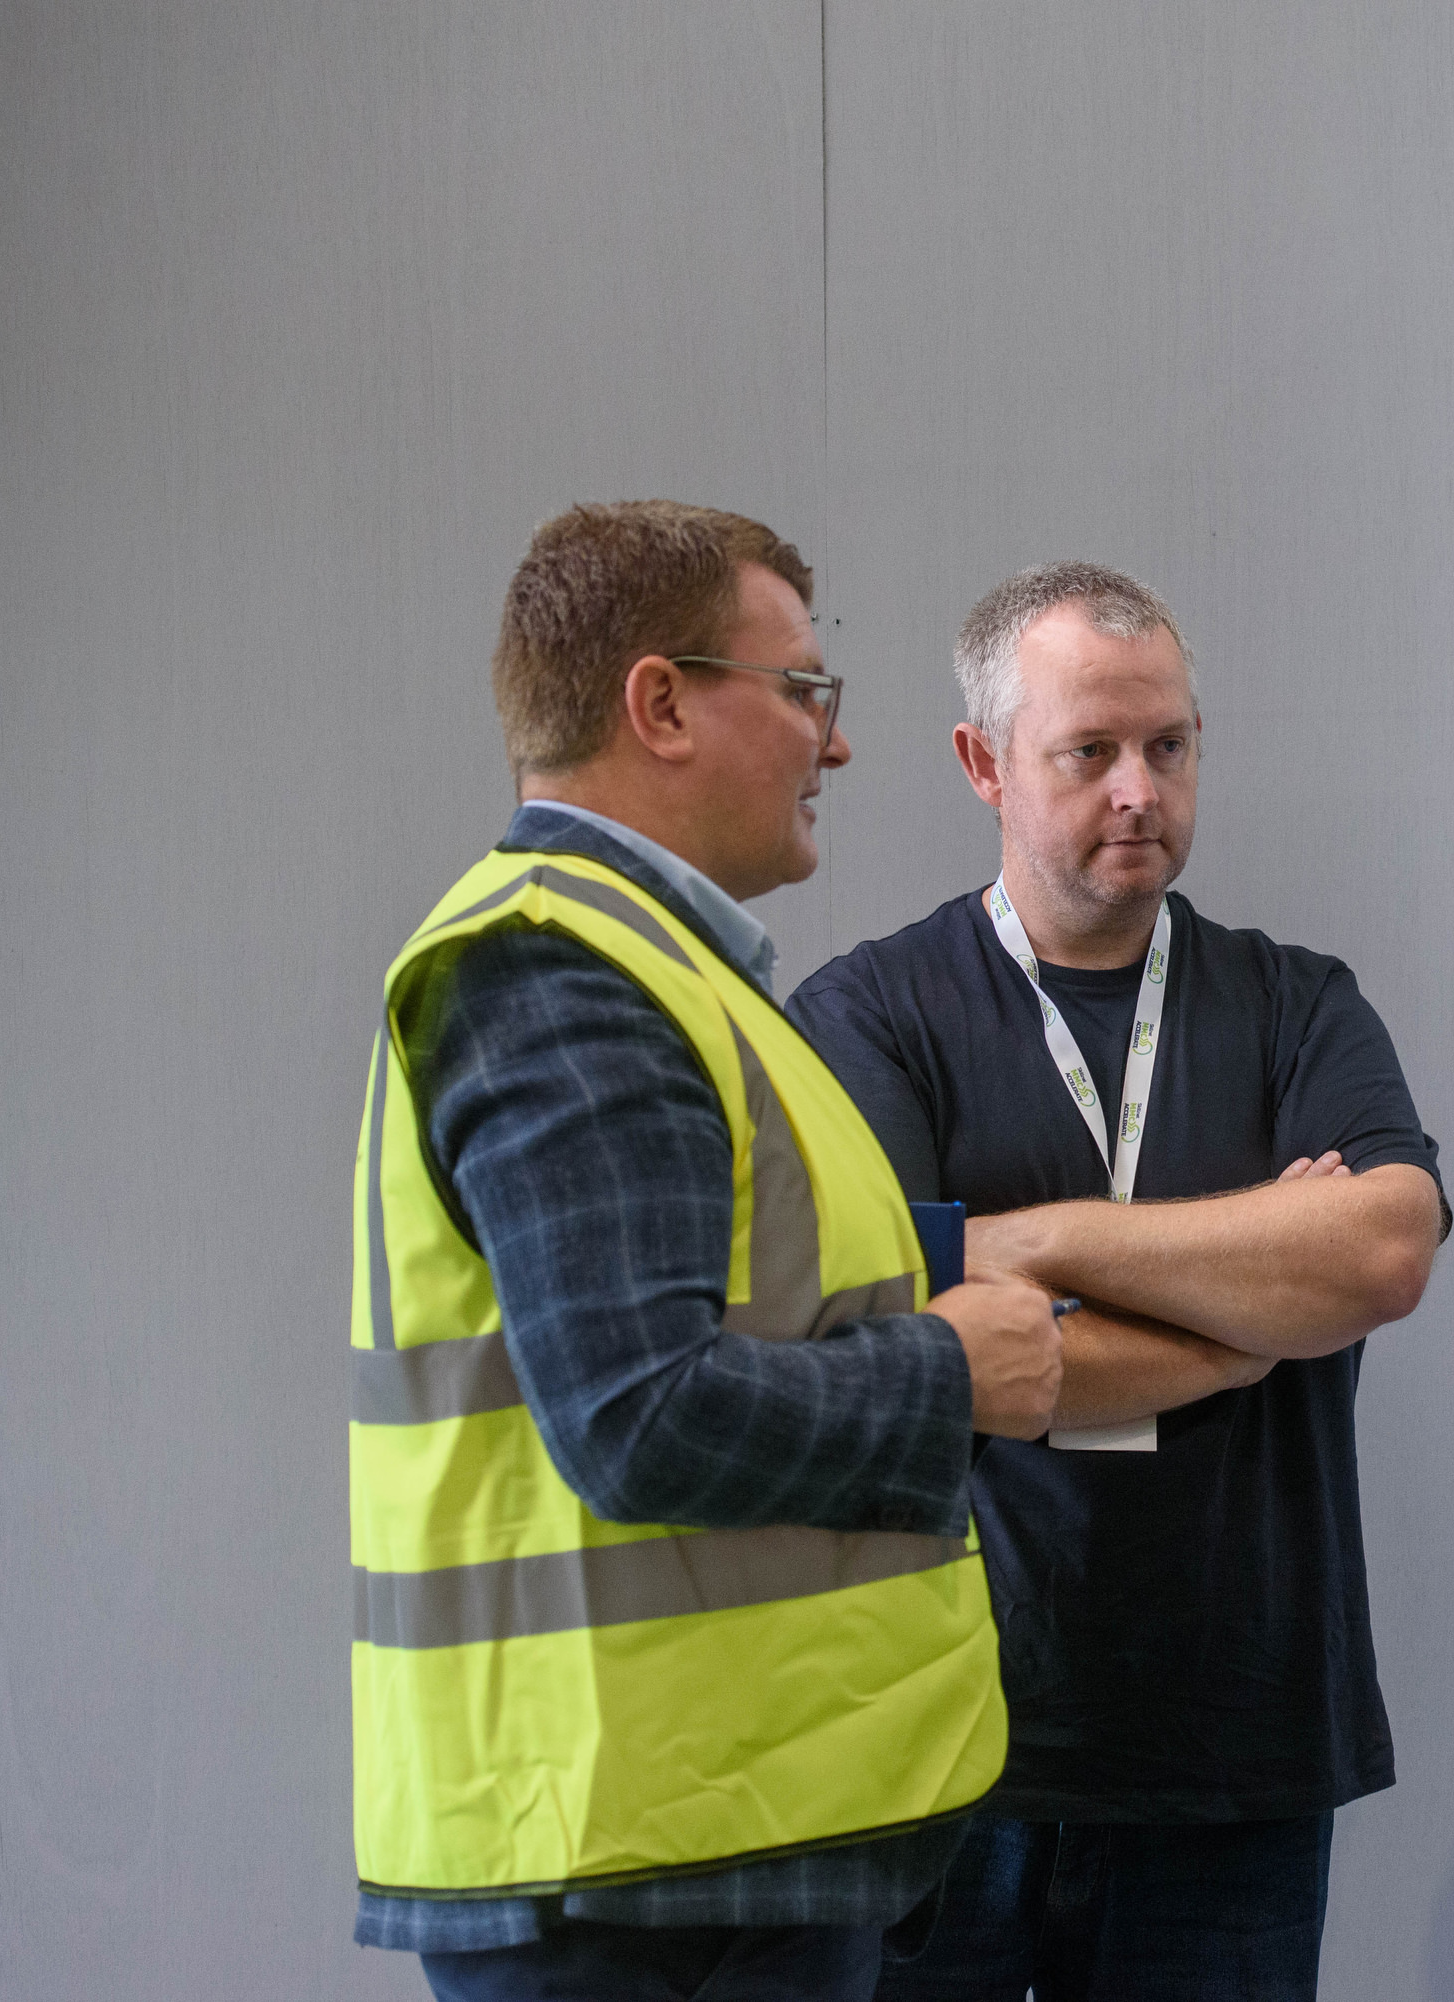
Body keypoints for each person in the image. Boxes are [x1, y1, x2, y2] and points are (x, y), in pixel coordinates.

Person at [346, 501, 1064, 2002]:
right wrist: (951, 1369)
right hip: (644, 1879)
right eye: (807, 691)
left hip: (691, 1850)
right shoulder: (560, 973)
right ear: (659, 703)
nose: (838, 743)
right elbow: (639, 1414)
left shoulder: (660, 974)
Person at [785, 562, 1447, 2002]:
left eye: (1170, 744)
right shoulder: (868, 1016)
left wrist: (1038, 1242)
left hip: (1237, 1756)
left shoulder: (1297, 1005)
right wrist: (1246, 1323)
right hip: (949, 1750)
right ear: (984, 762)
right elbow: (910, 1332)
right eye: (1091, 752)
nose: (1140, 788)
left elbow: (1385, 1247)